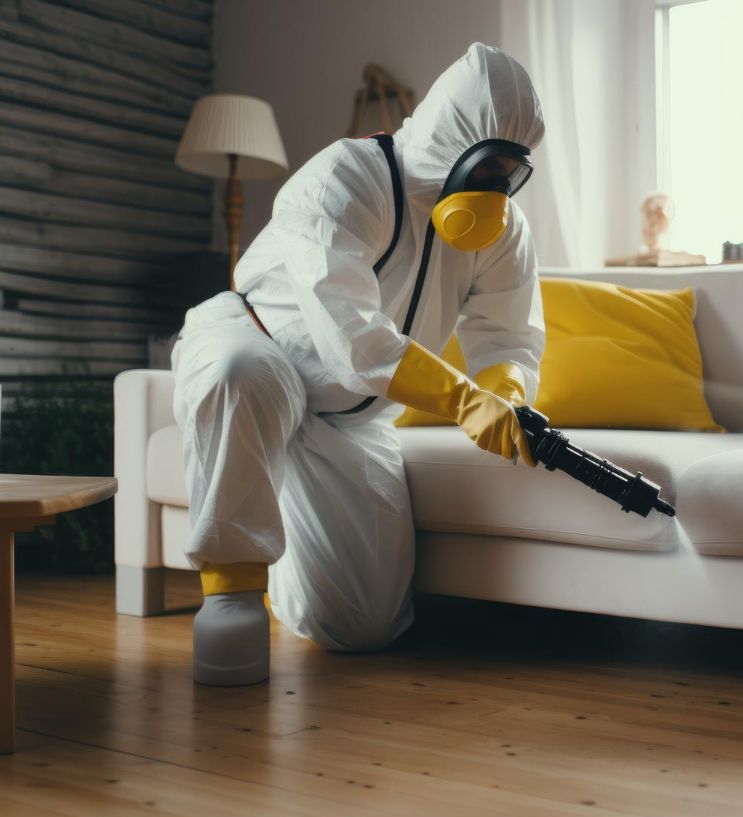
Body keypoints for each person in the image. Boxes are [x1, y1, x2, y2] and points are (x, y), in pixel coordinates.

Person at [171, 43, 545, 685]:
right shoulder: (344, 179)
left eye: (510, 174)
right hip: (259, 350)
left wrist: (505, 391)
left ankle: (284, 549)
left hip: (351, 418)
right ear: (450, 139)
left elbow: (508, 332)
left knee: (365, 628)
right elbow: (352, 338)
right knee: (243, 375)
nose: (495, 190)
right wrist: (461, 400)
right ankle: (230, 588)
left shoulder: (503, 231)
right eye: (486, 169)